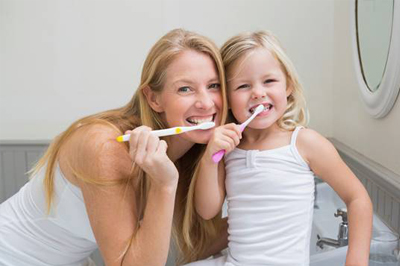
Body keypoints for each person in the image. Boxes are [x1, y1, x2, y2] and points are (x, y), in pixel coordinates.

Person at [0, 29, 230, 266]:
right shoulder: (106, 147)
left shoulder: (192, 152)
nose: (206, 102)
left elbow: (197, 245)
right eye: (185, 89)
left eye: (214, 85)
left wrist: (262, 213)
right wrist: (164, 184)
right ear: (154, 99)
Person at [187, 31, 373, 266]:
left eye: (269, 81)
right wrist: (209, 158)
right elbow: (206, 210)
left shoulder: (305, 143)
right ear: (228, 98)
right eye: (243, 86)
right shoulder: (230, 148)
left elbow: (358, 198)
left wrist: (356, 261)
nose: (258, 92)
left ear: (288, 86)